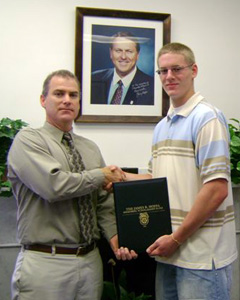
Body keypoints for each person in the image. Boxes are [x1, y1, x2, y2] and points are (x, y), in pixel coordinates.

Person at [121, 43, 238, 299]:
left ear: (193, 70)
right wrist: (119, 177)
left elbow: (216, 189)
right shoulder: (162, 126)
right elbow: (155, 180)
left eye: (176, 69)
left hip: (201, 257)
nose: (169, 76)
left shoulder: (207, 118)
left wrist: (176, 238)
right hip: (169, 253)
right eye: (162, 71)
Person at [7, 70, 137, 300]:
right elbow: (54, 186)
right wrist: (101, 175)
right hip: (47, 263)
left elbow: (103, 203)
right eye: (59, 93)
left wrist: (116, 237)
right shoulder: (28, 140)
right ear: (43, 100)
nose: (67, 99)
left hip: (90, 262)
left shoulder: (89, 147)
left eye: (73, 95)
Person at [91, 31, 154, 105]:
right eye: (118, 51)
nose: (123, 57)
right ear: (111, 53)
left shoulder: (152, 87)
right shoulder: (94, 79)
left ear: (137, 55)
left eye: (129, 51)